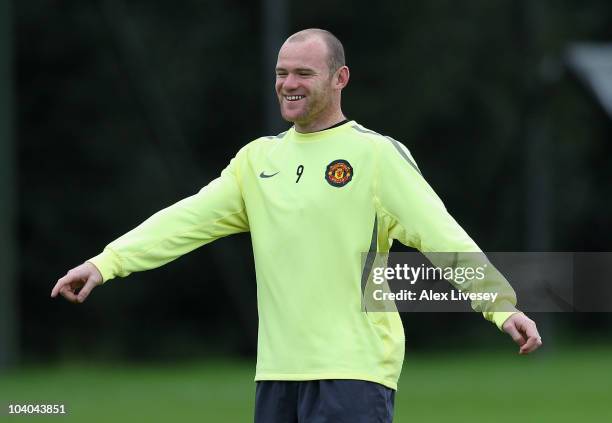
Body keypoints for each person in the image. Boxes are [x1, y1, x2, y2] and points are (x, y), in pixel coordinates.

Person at [51, 28, 542, 422]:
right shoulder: (256, 161)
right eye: (282, 72)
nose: (289, 83)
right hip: (277, 375)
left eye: (304, 72)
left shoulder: (375, 156)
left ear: (340, 78)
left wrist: (501, 307)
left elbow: (443, 236)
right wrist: (105, 262)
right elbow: (185, 218)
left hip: (354, 373)